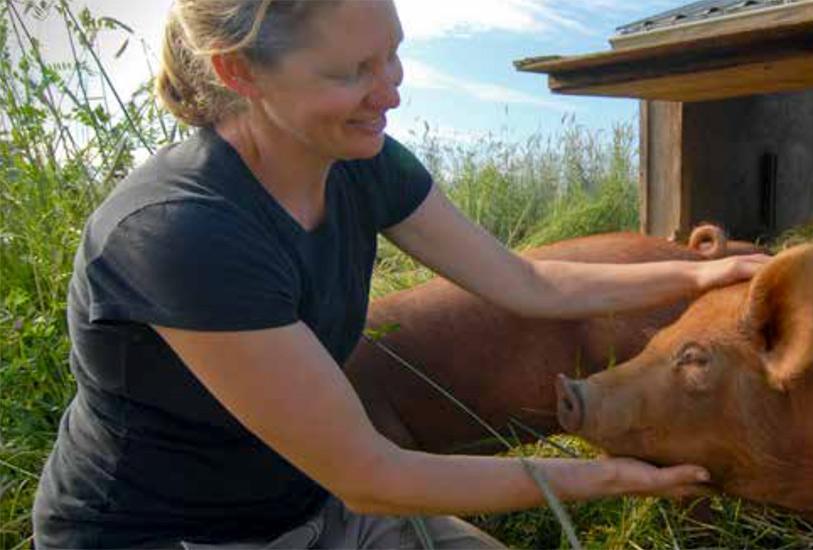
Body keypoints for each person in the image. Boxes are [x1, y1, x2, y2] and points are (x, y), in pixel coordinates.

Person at [31, 0, 771, 548]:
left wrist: (697, 277)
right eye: (352, 71)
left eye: (391, 53)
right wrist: (608, 474)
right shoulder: (182, 231)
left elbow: (529, 284)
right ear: (238, 72)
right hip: (165, 534)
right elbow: (371, 472)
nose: (389, 90)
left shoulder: (362, 165)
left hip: (316, 505)